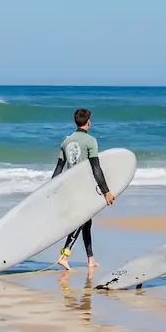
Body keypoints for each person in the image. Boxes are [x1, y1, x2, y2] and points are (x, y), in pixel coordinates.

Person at [55, 108, 115, 271]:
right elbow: (96, 168)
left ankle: (91, 259)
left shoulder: (66, 141)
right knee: (81, 221)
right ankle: (65, 256)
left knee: (86, 222)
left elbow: (58, 169)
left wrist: (52, 191)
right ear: (88, 122)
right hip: (83, 189)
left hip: (69, 188)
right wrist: (106, 191)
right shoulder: (90, 141)